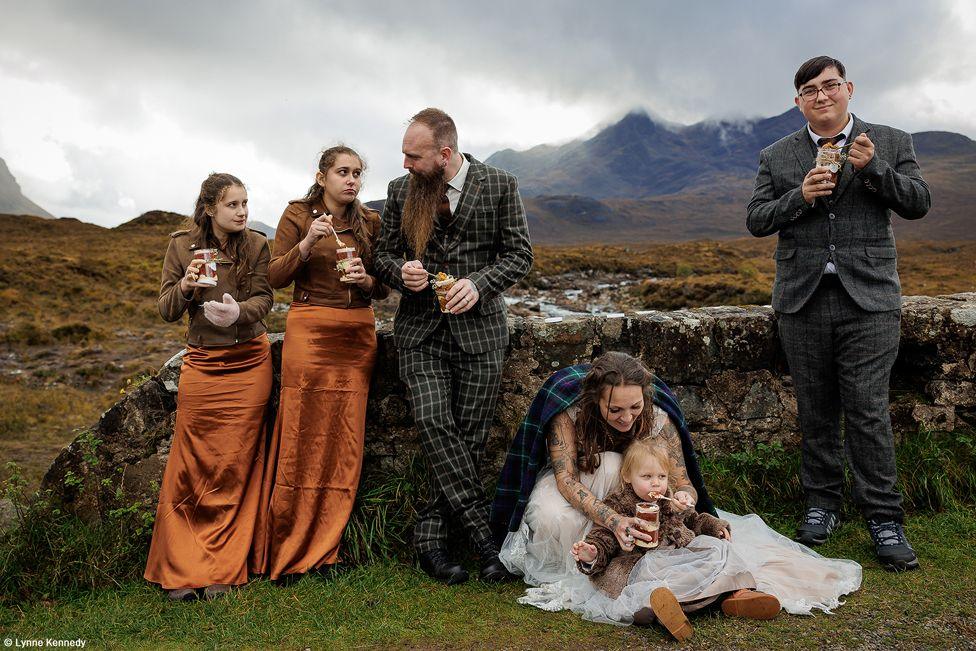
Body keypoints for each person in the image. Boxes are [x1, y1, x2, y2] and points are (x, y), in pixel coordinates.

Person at [492, 352, 862, 626]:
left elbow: (680, 479)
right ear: (594, 400)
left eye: (634, 407)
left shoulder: (657, 418)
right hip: (587, 490)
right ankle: (604, 562)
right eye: (614, 410)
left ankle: (717, 591)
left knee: (654, 499)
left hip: (642, 491)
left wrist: (687, 498)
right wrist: (616, 520)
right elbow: (566, 479)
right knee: (556, 511)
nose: (626, 418)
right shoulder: (569, 411)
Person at [747, 55, 931, 571]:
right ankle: (822, 505)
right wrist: (798, 197)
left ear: (848, 88)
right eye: (810, 90)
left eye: (830, 86)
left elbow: (919, 202)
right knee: (815, 408)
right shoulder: (777, 155)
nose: (821, 96)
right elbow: (757, 219)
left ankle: (884, 518)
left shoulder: (890, 141)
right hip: (802, 300)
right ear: (798, 100)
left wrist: (875, 171)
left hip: (870, 299)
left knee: (868, 409)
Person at [373, 108, 533, 584]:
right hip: (419, 334)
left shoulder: (500, 185)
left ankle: (430, 538)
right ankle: (487, 541)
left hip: (481, 334)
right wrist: (400, 273)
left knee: (470, 436)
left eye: (412, 155)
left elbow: (521, 254)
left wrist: (480, 284)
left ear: (445, 155)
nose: (404, 164)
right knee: (433, 420)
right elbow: (382, 256)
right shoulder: (401, 191)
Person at [258, 145, 389, 581]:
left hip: (356, 336)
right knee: (301, 436)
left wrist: (366, 279)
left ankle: (325, 549)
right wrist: (308, 241)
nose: (351, 181)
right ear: (322, 177)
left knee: (344, 440)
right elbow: (274, 277)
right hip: (311, 333)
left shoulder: (370, 221)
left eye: (357, 174)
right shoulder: (298, 214)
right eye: (342, 172)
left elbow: (383, 286)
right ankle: (289, 549)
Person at [145, 172, 274, 600]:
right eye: (233, 205)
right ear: (209, 209)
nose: (242, 212)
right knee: (193, 463)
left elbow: (264, 298)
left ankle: (223, 566)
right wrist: (185, 287)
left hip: (250, 362)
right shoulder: (181, 245)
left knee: (235, 464)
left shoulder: (256, 244)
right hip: (202, 363)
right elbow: (165, 308)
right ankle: (182, 567)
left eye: (244, 203)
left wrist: (239, 313)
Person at [571, 440, 777, 640]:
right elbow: (603, 536)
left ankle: (738, 593)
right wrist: (593, 553)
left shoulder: (669, 499)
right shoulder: (617, 504)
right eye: (647, 476)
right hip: (640, 564)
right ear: (627, 476)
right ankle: (667, 608)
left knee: (718, 548)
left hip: (676, 557)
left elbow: (693, 520)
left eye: (662, 476)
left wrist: (712, 526)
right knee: (644, 592)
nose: (656, 483)